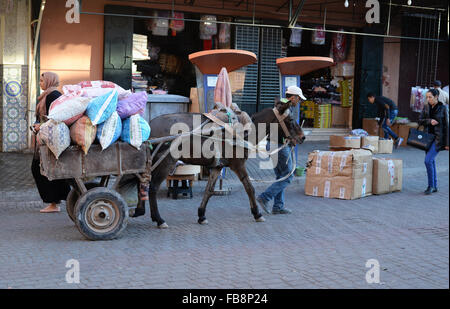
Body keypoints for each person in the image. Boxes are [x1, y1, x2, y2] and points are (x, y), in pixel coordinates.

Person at [256, 86, 306, 215]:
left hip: (272, 144)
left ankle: (278, 206)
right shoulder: (284, 109)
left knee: (280, 176)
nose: (299, 101)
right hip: (279, 146)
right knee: (288, 175)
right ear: (293, 97)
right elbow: (285, 127)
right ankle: (265, 197)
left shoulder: (280, 107)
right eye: (299, 99)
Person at [31, 72, 70, 213]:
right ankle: (61, 198)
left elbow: (56, 118)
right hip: (45, 138)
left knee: (40, 169)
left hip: (51, 139)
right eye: (40, 80)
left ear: (49, 81)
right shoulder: (46, 96)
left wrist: (40, 126)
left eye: (42, 80)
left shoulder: (53, 95)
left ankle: (54, 202)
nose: (40, 82)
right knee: (45, 169)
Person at [418, 88, 449, 195]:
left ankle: (430, 186)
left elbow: (447, 126)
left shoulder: (443, 108)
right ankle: (434, 186)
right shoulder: (426, 107)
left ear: (436, 97)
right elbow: (420, 120)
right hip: (427, 139)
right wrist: (429, 121)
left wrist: (447, 143)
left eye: (430, 97)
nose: (428, 99)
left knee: (428, 161)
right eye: (427, 97)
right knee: (431, 161)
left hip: (438, 140)